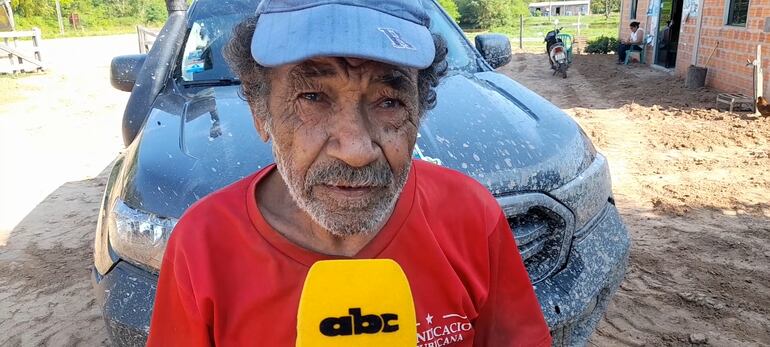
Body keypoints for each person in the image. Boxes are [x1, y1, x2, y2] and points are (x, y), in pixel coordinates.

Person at [146, 0, 551, 346]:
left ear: (419, 110)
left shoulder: (471, 216)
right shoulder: (202, 246)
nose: (356, 150)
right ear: (259, 111)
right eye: (312, 97)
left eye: (389, 101)